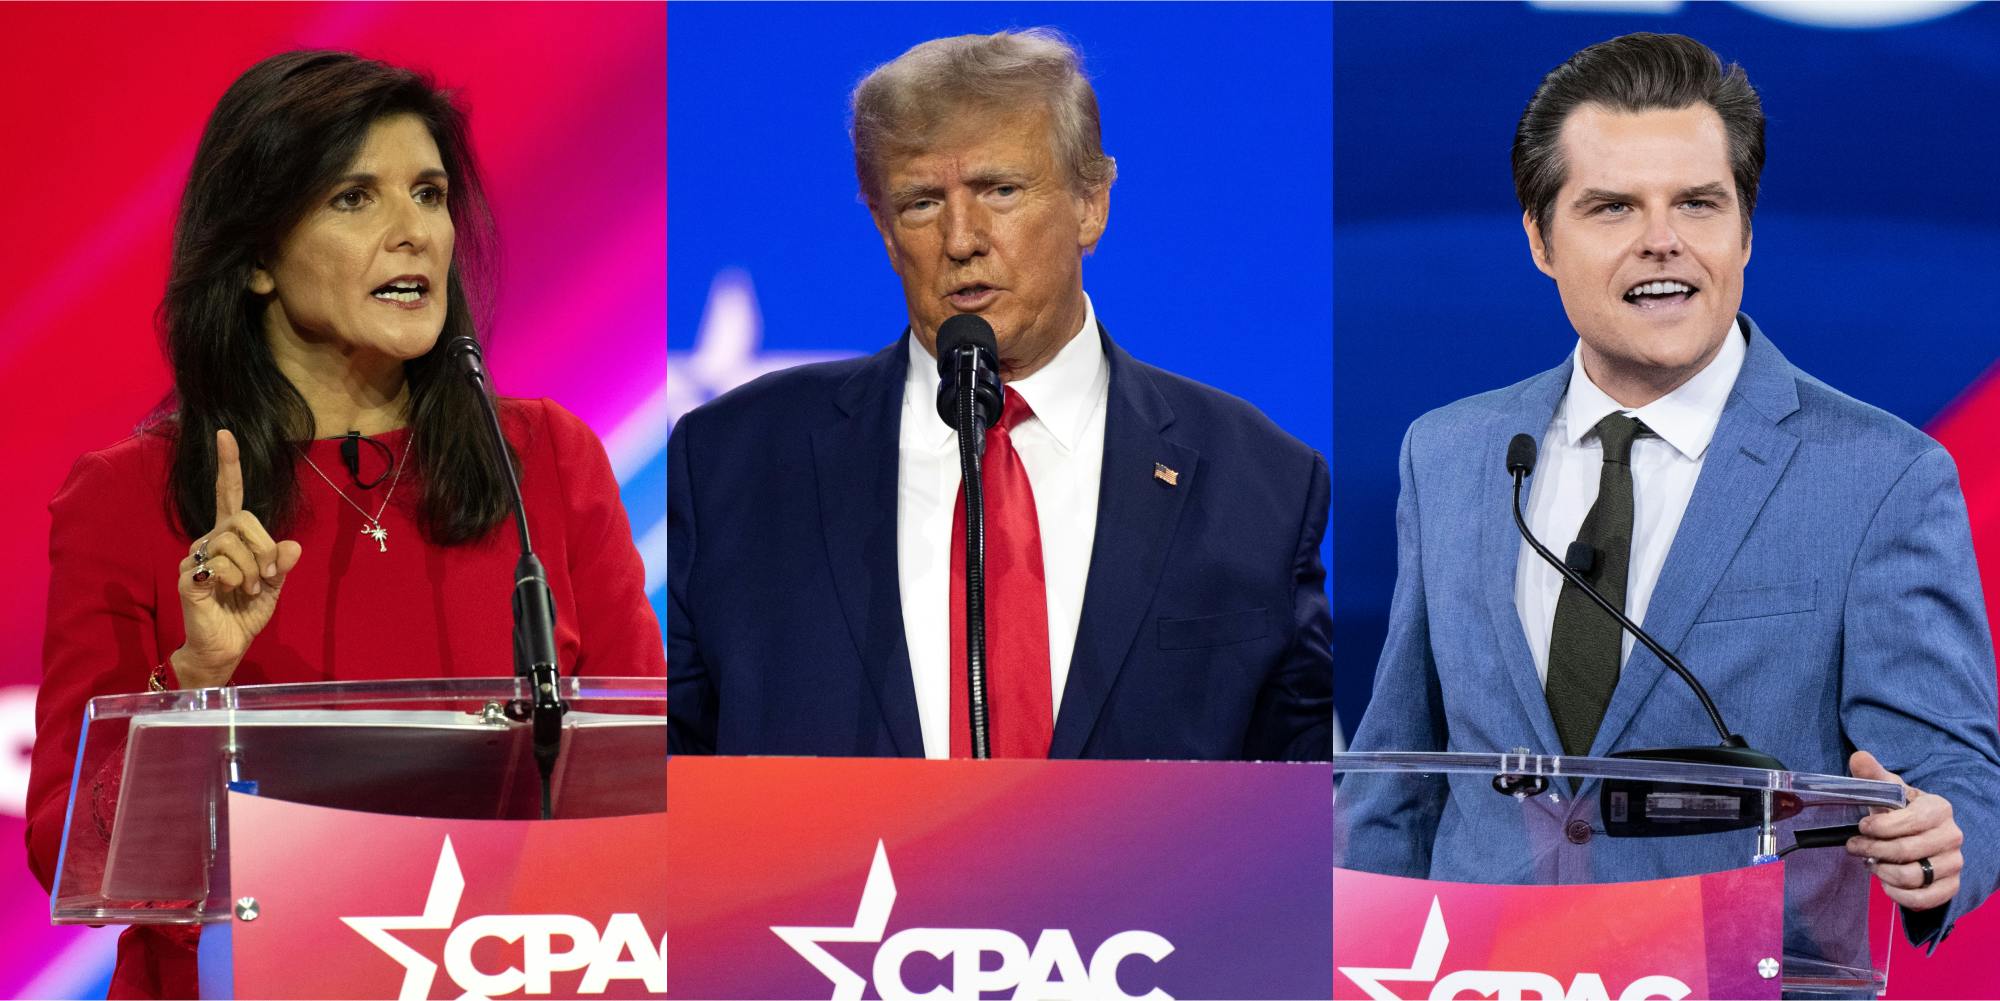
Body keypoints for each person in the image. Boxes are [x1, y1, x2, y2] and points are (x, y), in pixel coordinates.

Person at [1340, 31, 2000, 954]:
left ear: (1745, 231)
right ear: (1540, 239)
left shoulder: (1881, 476)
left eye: (1698, 203)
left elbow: (1952, 774)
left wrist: (1941, 839)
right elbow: (1394, 777)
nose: (1664, 239)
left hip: (1741, 968)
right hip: (1477, 968)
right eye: (1612, 207)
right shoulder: (1449, 454)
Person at [27, 51, 664, 998]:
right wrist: (195, 678)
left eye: (430, 193)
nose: (413, 233)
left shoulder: (547, 462)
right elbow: (71, 852)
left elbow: (651, 782)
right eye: (354, 198)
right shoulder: (131, 497)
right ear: (253, 259)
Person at [667, 30, 1331, 761]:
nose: (961, 239)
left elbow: (1309, 816)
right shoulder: (733, 466)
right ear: (886, 234)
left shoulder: (1259, 481)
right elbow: (671, 802)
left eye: (1000, 191)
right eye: (921, 203)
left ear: (1091, 204)